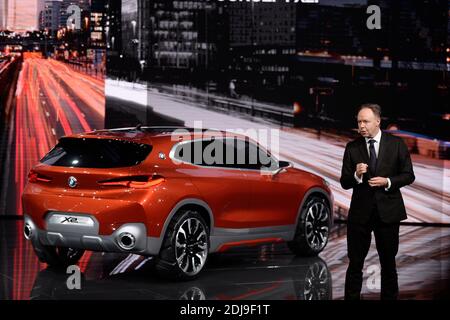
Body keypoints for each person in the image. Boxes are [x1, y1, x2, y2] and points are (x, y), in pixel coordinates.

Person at [340, 103, 415, 300]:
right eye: (359, 122)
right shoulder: (352, 147)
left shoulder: (396, 144)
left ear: (378, 121)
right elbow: (344, 182)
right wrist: (356, 175)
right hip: (360, 215)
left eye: (366, 121)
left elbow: (409, 175)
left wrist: (388, 181)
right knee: (355, 263)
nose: (361, 126)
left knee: (388, 263)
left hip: (388, 212)